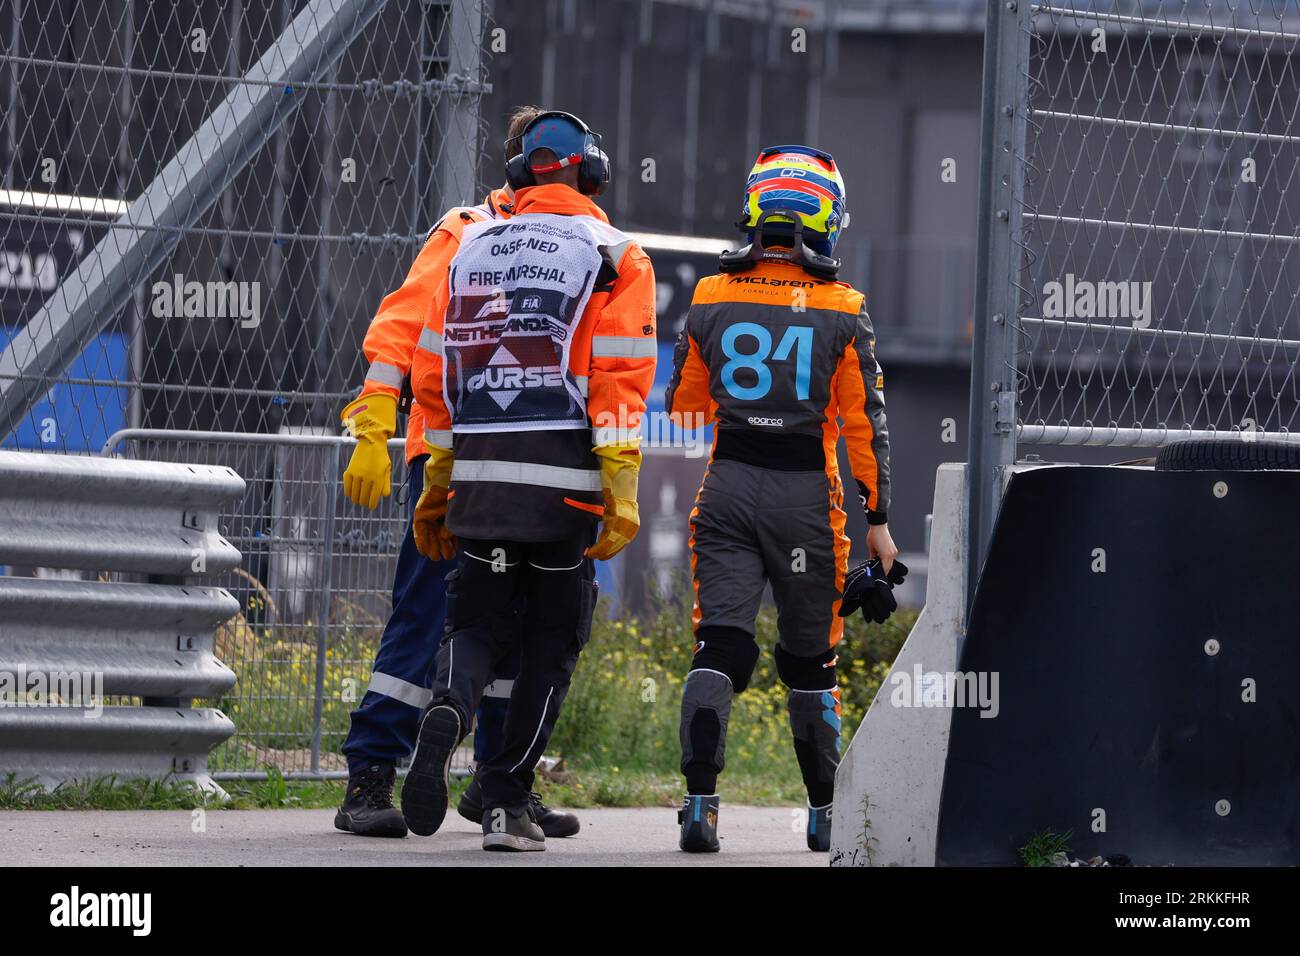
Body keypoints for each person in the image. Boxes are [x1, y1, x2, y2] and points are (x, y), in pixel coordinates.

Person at [402, 109, 656, 851]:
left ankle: (449, 706)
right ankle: (507, 803)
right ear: (592, 170)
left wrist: (439, 481)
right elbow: (617, 379)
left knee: (475, 626)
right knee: (552, 639)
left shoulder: (470, 246)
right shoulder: (614, 253)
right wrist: (622, 484)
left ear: (521, 173)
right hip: (562, 482)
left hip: (479, 475)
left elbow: (436, 372)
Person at [333, 105, 577, 841]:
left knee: (481, 616)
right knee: (453, 613)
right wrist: (372, 422)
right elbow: (402, 330)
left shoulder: (556, 236)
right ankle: (389, 776)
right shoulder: (483, 230)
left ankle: (492, 786)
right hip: (478, 459)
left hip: (487, 457)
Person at [664, 145, 903, 853]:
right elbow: (867, 427)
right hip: (807, 500)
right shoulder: (844, 307)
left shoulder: (710, 294)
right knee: (809, 664)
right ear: (826, 217)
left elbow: (683, 407)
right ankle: (824, 816)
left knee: (720, 647)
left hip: (728, 487)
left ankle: (701, 808)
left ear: (755, 211)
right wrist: (880, 525)